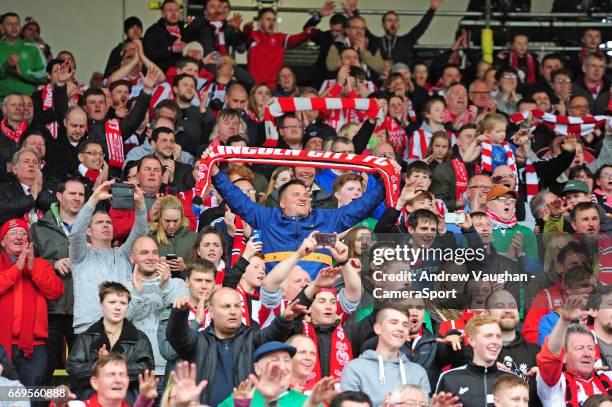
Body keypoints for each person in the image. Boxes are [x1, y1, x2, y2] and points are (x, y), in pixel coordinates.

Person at [206, 150, 386, 274]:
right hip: (276, 296)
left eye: (306, 195)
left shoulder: (325, 218)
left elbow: (362, 206)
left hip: (316, 297)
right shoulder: (268, 217)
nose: (303, 198)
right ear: (282, 203)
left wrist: (386, 181)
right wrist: (215, 173)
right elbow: (238, 200)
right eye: (295, 195)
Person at [166, 286, 307, 406]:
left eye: (237, 306)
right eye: (226, 306)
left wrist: (284, 319)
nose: (233, 311)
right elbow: (177, 336)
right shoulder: (198, 342)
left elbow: (273, 333)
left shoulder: (253, 338)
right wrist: (179, 313)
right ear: (211, 312)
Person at [70, 180, 148, 334]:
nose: (105, 225)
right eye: (99, 222)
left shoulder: (123, 254)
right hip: (88, 328)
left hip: (121, 327)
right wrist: (94, 199)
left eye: (108, 222)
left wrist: (140, 205)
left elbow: (140, 233)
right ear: (89, 231)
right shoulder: (80, 255)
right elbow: (75, 233)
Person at [30, 177, 86, 382]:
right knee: (45, 372)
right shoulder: (39, 228)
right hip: (50, 310)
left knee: (82, 374)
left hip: (83, 310)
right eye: (72, 193)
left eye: (81, 194)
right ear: (59, 196)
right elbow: (29, 264)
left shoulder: (93, 226)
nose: (78, 198)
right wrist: (53, 263)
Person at [66, 281, 154, 405]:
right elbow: (73, 369)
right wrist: (100, 364)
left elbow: (147, 370)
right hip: (92, 401)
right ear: (101, 304)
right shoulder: (86, 337)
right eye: (112, 302)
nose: (118, 307)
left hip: (129, 402)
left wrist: (111, 364)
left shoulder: (140, 338)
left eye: (123, 303)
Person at [0, 218, 64, 386]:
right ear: (3, 241)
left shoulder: (40, 264)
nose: (19, 237)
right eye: (13, 233)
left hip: (34, 347)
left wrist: (32, 266)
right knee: (6, 397)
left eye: (23, 233)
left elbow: (55, 291)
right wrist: (17, 268)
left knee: (33, 396)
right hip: (2, 346)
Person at [341, 304, 431, 406]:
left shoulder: (418, 372)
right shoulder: (354, 368)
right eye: (394, 322)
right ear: (377, 328)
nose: (401, 328)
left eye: (405, 325)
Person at [127, 236, 186, 381]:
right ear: (132, 257)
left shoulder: (177, 284)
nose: (151, 257)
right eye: (144, 252)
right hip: (135, 371)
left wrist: (165, 286)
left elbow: (180, 319)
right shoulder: (122, 287)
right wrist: (136, 293)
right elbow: (118, 320)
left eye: (154, 252)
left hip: (170, 369)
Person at [536, 295, 612, 405]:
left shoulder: (607, 378)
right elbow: (549, 357)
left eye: (590, 348)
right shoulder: (555, 385)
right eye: (579, 348)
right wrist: (564, 320)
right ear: (564, 356)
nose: (587, 354)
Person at [436, 314, 511, 407]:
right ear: (471, 340)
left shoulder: (512, 380)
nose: (495, 342)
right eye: (488, 336)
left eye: (498, 336)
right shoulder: (449, 379)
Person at [486, 290, 541, 406]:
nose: (508, 310)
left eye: (512, 306)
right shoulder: (475, 352)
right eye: (500, 306)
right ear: (487, 313)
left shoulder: (537, 352)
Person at [243, 7, 313, 87]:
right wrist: (246, 29)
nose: (271, 22)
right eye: (268, 19)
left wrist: (307, 33)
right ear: (260, 21)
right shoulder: (253, 35)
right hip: (255, 87)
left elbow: (295, 39)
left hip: (274, 88)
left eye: (273, 20)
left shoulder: (280, 38)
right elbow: (244, 37)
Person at [367, 1, 442, 64]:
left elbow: (421, 27)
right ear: (383, 24)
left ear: (398, 25)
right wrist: (354, 10)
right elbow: (362, 30)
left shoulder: (406, 41)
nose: (393, 23)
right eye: (389, 20)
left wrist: (432, 9)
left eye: (395, 21)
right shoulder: (375, 41)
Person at [142, 0, 204, 72]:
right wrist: (171, 49)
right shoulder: (153, 31)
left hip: (187, 75)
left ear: (180, 13)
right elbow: (148, 55)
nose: (173, 13)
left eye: (176, 10)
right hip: (160, 76)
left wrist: (187, 50)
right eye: (169, 10)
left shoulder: (188, 29)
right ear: (162, 14)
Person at [0, 148, 55, 227]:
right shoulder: (3, 189)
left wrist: (39, 192)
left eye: (35, 162)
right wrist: (31, 197)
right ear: (15, 169)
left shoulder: (49, 188)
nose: (31, 165)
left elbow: (60, 212)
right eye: (26, 161)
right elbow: (3, 210)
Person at [0, 13, 46, 98]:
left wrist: (22, 73)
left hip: (28, 101)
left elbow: (45, 75)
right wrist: (6, 66)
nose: (14, 27)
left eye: (16, 24)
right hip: (2, 100)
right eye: (10, 24)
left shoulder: (33, 49)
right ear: (2, 28)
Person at [148, 195, 196, 273]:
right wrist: (156, 264)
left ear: (182, 217)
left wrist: (185, 268)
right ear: (160, 217)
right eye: (167, 221)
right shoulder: (150, 238)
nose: (171, 226)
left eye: (175, 221)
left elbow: (203, 270)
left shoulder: (194, 238)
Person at [0, 93, 27, 164]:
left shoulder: (35, 130)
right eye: (13, 105)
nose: (17, 108)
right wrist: (4, 167)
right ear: (4, 109)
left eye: (20, 105)